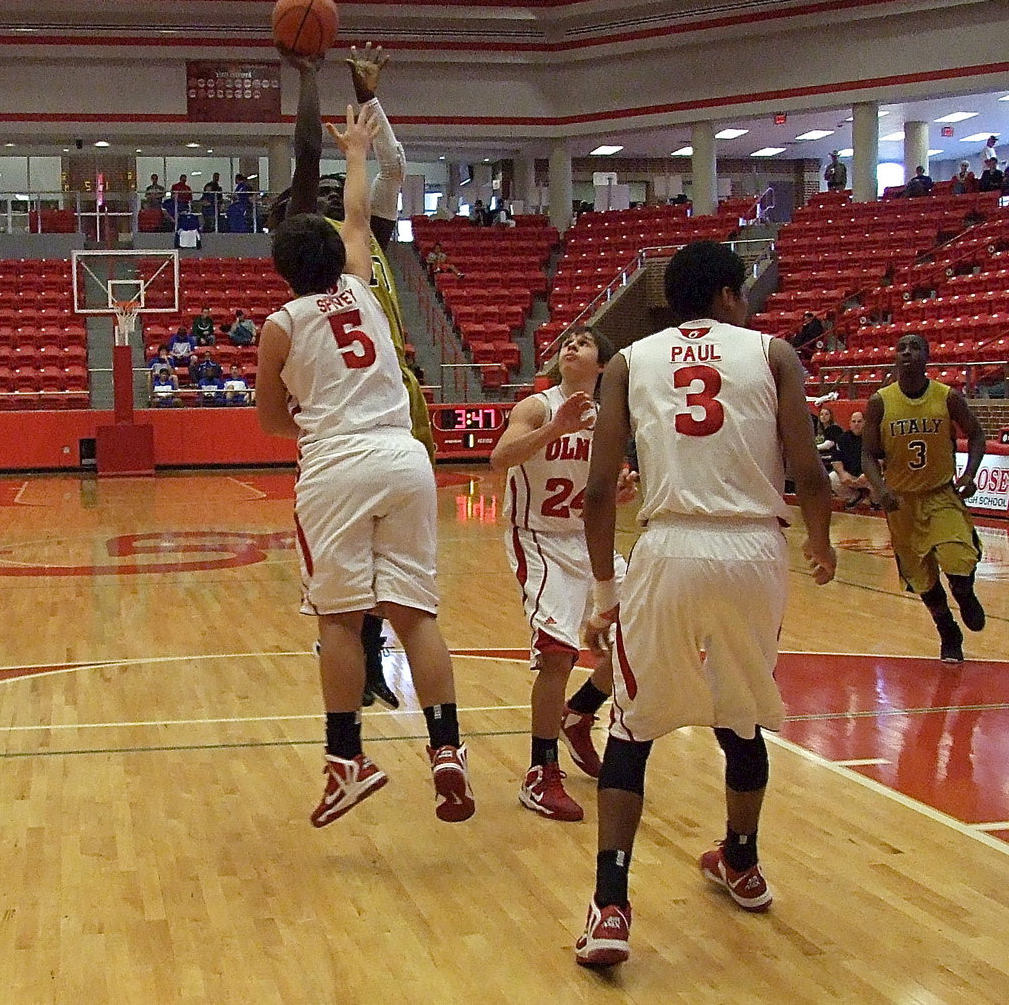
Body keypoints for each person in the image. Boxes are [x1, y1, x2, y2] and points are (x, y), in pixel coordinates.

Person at [574, 240, 835, 967]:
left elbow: (598, 491)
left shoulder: (628, 360)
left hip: (670, 548)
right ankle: (742, 861)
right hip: (754, 549)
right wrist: (821, 542)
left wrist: (603, 593)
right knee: (742, 710)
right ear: (726, 295)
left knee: (632, 725)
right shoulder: (773, 352)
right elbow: (808, 469)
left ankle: (611, 905)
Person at [257, 103, 474, 827]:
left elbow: (267, 418)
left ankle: (346, 762)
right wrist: (356, 149)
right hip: (405, 456)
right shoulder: (362, 284)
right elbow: (355, 215)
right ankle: (446, 748)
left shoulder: (280, 325)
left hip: (338, 461)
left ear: (283, 270)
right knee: (415, 615)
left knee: (340, 621)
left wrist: (307, 425)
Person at [271, 43, 433, 712]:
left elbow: (389, 167)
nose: (337, 198)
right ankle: (351, 656)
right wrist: (310, 80)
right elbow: (311, 158)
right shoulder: (322, 250)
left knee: (391, 556)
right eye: (325, 198)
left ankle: (366, 660)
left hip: (394, 401)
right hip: (349, 413)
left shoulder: (368, 241)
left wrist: (368, 101)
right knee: (356, 561)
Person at [489, 326, 635, 822]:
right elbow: (499, 458)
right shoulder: (538, 406)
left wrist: (618, 494)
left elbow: (596, 492)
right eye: (567, 341)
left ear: (601, 365)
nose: (571, 346)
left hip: (586, 538)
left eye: (586, 342)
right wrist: (556, 428)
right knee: (557, 654)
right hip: (538, 537)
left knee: (643, 634)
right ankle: (540, 771)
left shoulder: (610, 419)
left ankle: (581, 711)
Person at [861, 333, 987, 664]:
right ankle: (948, 631)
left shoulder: (947, 397)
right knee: (921, 578)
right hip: (901, 502)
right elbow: (868, 455)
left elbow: (976, 435)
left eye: (914, 347)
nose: (906, 352)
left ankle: (965, 594)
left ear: (927, 357)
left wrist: (970, 474)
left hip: (941, 493)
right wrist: (880, 488)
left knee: (958, 558)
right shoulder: (880, 402)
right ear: (895, 358)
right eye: (900, 348)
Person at [833, 410, 877, 508]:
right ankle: (855, 497)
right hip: (850, 476)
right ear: (850, 423)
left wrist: (867, 474)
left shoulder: (874, 438)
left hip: (870, 476)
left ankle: (873, 501)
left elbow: (881, 460)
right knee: (832, 478)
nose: (856, 424)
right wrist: (842, 473)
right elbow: (836, 459)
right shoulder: (842, 438)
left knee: (881, 481)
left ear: (865, 423)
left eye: (859, 421)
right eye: (854, 421)